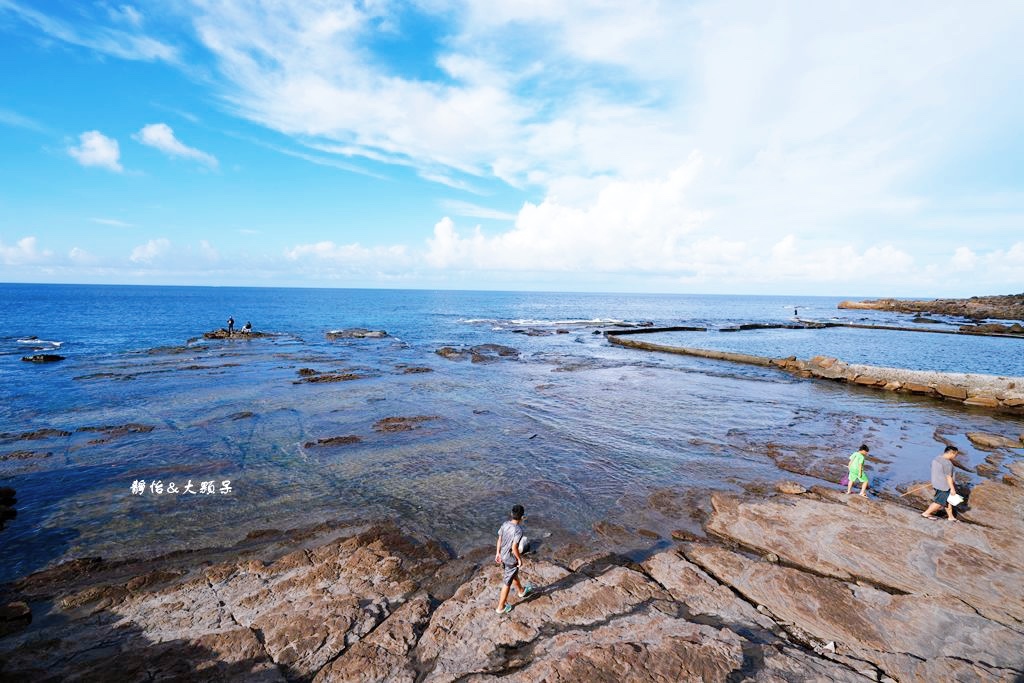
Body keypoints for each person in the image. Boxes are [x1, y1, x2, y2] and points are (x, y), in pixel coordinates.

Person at [494, 504, 533, 614]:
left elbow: (499, 539)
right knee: (507, 582)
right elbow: (514, 547)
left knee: (512, 574)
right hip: (510, 558)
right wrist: (519, 559)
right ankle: (500, 607)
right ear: (522, 517)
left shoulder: (505, 524)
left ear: (511, 514)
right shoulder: (518, 530)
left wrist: (497, 553)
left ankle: (521, 591)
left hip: (502, 555)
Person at [922, 446, 960, 521]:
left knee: (948, 501)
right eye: (955, 454)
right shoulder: (947, 463)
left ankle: (951, 517)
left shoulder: (937, 458)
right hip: (944, 486)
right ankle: (926, 513)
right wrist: (952, 489)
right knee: (939, 502)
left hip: (937, 483)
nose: (956, 456)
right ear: (952, 453)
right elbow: (948, 477)